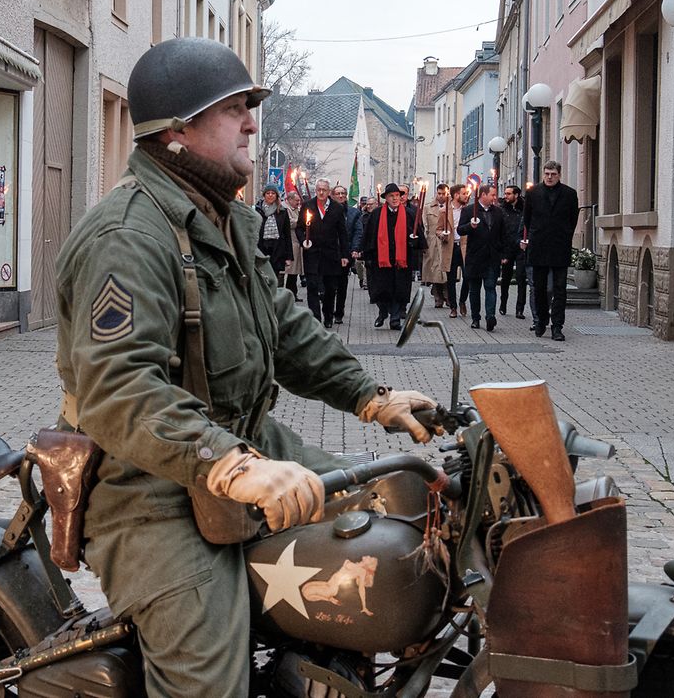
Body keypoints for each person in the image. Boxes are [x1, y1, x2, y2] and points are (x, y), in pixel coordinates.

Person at [54, 37, 439, 698]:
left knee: (399, 509)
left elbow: (286, 327)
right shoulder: (128, 238)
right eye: (234, 109)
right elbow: (117, 390)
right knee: (211, 682)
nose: (252, 122)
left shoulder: (224, 221)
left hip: (248, 447)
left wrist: (371, 397)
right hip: (151, 490)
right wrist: (233, 466)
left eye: (249, 107)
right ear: (177, 130)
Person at [522, 160, 580, 341]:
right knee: (539, 288)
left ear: (559, 175)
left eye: (553, 174)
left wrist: (565, 234)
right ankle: (541, 320)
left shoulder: (570, 194)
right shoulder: (533, 193)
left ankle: (557, 326)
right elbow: (527, 219)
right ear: (543, 174)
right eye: (547, 173)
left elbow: (573, 219)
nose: (549, 177)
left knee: (560, 289)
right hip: (539, 246)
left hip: (560, 246)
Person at [363, 182, 420, 330]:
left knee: (398, 289)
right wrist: (366, 254)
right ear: (385, 198)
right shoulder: (376, 214)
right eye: (391, 196)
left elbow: (418, 234)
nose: (395, 199)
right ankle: (382, 313)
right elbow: (369, 235)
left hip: (401, 260)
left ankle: (395, 319)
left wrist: (415, 240)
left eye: (397, 196)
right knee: (381, 289)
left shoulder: (409, 214)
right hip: (382, 260)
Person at [296, 178, 348, 328]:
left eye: (324, 190)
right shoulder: (307, 206)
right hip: (312, 253)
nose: (321, 192)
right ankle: (315, 318)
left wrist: (345, 255)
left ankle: (328, 315)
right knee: (312, 286)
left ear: (328, 191)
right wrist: (303, 241)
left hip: (331, 255)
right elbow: (300, 228)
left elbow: (342, 233)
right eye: (318, 189)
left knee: (330, 288)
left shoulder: (336, 208)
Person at [457, 185, 506, 331]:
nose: (494, 197)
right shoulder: (469, 210)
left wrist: (503, 254)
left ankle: (490, 316)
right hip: (475, 256)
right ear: (483, 195)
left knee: (490, 287)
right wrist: (469, 226)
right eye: (492, 195)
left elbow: (503, 234)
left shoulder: (498, 212)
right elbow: (460, 229)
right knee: (474, 289)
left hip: (492, 256)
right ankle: (475, 318)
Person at [331, 185, 362, 324]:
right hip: (329, 252)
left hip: (345, 252)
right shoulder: (327, 211)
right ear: (332, 196)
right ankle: (328, 310)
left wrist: (354, 249)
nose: (341, 196)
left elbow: (358, 232)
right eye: (337, 193)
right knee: (329, 284)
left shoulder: (354, 213)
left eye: (343, 193)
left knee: (342, 284)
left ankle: (339, 312)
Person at [499, 184, 527, 319]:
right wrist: (502, 253)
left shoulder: (525, 209)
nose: (506, 196)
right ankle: (503, 304)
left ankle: (520, 309)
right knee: (505, 279)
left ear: (516, 195)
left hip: (521, 248)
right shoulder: (502, 209)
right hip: (507, 248)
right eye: (505, 193)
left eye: (508, 194)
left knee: (521, 278)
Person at [421, 183, 451, 309]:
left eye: (443, 194)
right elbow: (425, 226)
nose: (441, 196)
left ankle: (448, 295)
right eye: (439, 193)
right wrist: (424, 243)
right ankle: (438, 296)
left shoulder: (451, 207)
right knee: (434, 270)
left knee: (445, 270)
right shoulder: (428, 207)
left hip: (447, 242)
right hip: (432, 241)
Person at [256, 185, 292, 285]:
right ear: (264, 195)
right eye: (268, 193)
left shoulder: (282, 211)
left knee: (275, 277)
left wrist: (289, 256)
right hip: (262, 246)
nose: (270, 195)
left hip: (277, 247)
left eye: (273, 193)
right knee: (262, 276)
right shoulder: (257, 210)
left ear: (276, 196)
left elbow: (287, 234)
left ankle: (275, 298)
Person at [445, 183, 470, 318]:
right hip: (451, 246)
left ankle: (462, 301)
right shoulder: (445, 210)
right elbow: (438, 228)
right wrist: (441, 234)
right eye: (464, 193)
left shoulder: (469, 210)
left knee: (468, 276)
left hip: (465, 246)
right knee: (451, 279)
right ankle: (453, 306)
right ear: (456, 195)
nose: (466, 196)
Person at [283, 188, 304, 300]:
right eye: (296, 201)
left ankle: (293, 293)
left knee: (294, 273)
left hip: (297, 243)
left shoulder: (297, 209)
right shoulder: (286, 209)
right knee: (290, 271)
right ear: (290, 200)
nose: (298, 203)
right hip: (291, 243)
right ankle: (288, 294)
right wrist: (301, 221)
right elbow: (289, 223)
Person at [351, 195, 369, 289]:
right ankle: (361, 278)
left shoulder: (374, 215)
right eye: (364, 203)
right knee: (358, 263)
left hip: (368, 243)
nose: (366, 205)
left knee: (366, 264)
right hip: (360, 242)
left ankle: (366, 282)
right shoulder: (359, 215)